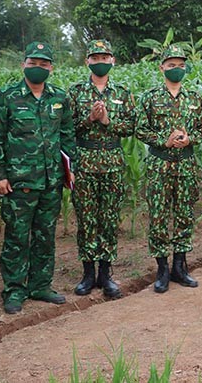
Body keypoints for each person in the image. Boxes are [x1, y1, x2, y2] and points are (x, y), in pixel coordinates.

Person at [0, 42, 77, 314]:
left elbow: (67, 136)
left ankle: (40, 285)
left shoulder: (59, 97)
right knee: (16, 237)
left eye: (44, 64)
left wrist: (69, 170)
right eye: (33, 63)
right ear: (23, 64)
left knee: (45, 236)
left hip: (50, 182)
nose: (38, 68)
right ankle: (14, 290)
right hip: (18, 183)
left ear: (51, 67)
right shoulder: (6, 96)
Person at [136, 45, 202, 293]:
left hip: (186, 164)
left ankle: (180, 266)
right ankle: (162, 269)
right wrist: (163, 141)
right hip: (160, 164)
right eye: (171, 65)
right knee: (158, 216)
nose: (176, 69)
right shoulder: (150, 97)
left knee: (183, 215)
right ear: (162, 68)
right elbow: (140, 129)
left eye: (180, 65)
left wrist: (191, 140)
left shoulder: (194, 98)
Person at [69, 39, 135, 299]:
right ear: (87, 61)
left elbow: (131, 127)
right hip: (84, 161)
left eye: (104, 57)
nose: (100, 62)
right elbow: (67, 127)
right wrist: (89, 119)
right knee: (86, 219)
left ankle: (106, 274)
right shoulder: (75, 92)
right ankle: (87, 274)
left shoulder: (123, 92)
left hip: (112, 161)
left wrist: (107, 120)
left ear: (112, 61)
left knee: (108, 218)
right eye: (95, 58)